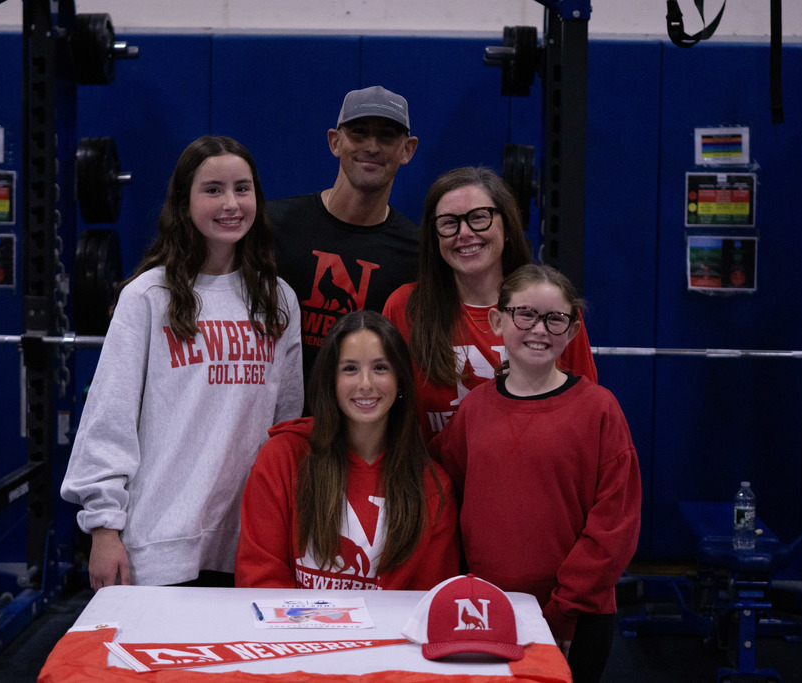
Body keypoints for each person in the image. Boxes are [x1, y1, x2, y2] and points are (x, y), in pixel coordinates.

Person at [61, 136, 304, 590]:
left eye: (242, 188)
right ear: (184, 201)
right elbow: (108, 421)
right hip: (157, 547)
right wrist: (103, 529)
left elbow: (286, 431)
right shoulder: (147, 297)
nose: (231, 203)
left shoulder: (278, 301)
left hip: (248, 547)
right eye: (212, 189)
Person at [429, 264, 641, 683]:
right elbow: (438, 490)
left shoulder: (599, 409)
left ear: (573, 329)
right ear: (497, 320)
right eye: (525, 314)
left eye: (554, 318)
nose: (538, 329)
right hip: (486, 610)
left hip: (576, 618)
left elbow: (614, 528)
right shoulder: (475, 409)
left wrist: (564, 613)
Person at [234, 310, 458, 590]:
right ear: (331, 380)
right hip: (292, 632)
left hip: (388, 635)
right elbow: (259, 577)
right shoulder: (282, 457)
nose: (366, 384)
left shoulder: (432, 487)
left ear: (400, 379)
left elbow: (426, 604)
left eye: (380, 368)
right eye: (350, 369)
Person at [382, 165, 598, 440]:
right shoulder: (405, 307)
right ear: (434, 237)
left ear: (507, 226)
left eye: (479, 217)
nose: (464, 232)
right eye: (449, 222)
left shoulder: (552, 306)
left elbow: (585, 417)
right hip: (435, 480)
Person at [268, 85, 420, 391]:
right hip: (271, 427)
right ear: (335, 142)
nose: (372, 146)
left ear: (408, 150)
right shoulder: (272, 225)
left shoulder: (417, 254)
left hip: (360, 428)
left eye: (387, 136)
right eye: (359, 132)